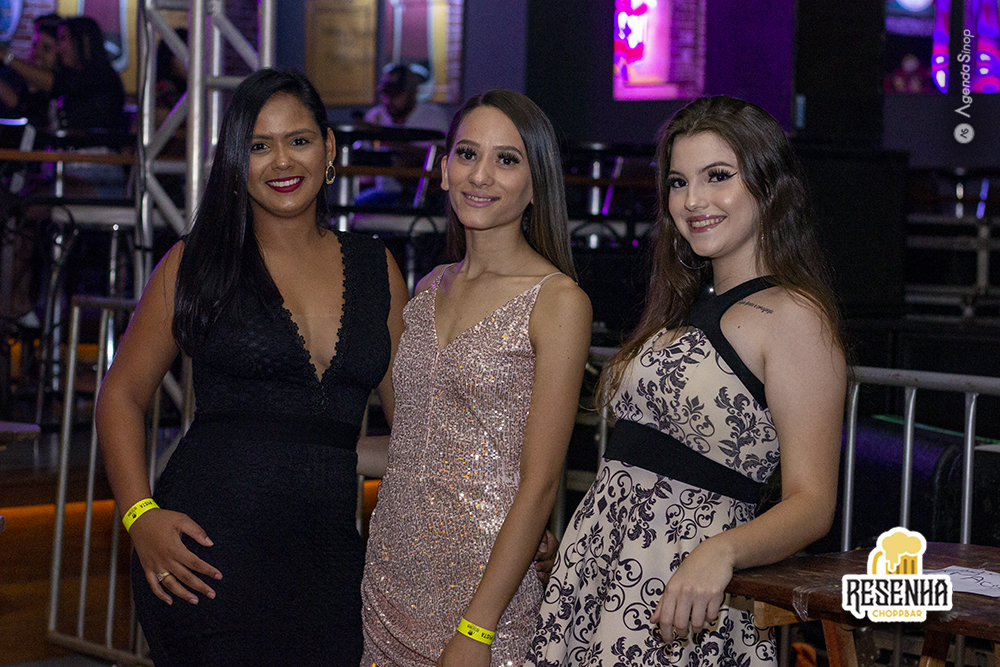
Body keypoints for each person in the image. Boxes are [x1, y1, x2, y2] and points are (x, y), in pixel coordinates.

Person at [95, 68, 408, 665]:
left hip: (329, 564)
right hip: (207, 559)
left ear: (329, 148)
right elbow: (121, 394)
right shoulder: (198, 263)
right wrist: (140, 516)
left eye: (299, 140)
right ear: (236, 160)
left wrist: (497, 522)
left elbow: (415, 439)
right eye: (259, 145)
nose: (281, 161)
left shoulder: (377, 269)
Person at [525, 96, 847, 666]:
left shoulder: (795, 317)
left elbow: (813, 502)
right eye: (678, 182)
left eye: (717, 176)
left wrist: (720, 553)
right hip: (599, 575)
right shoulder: (684, 304)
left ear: (770, 186)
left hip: (684, 592)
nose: (693, 200)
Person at [359, 89, 593, 667]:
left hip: (485, 595)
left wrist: (478, 628)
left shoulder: (557, 301)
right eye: (467, 153)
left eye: (506, 159)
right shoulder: (427, 289)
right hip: (387, 580)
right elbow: (415, 442)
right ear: (444, 170)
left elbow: (541, 483)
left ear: (536, 185)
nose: (480, 174)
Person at [0, 15, 125, 133]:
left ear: (84, 41)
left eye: (63, 38)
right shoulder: (70, 75)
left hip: (94, 148)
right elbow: (25, 104)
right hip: (68, 148)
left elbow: (56, 84)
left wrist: (5, 56)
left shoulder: (101, 76)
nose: (59, 48)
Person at [355, 63, 450, 207]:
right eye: (386, 93)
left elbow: (443, 159)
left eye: (396, 94)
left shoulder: (434, 116)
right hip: (384, 193)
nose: (389, 100)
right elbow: (361, 157)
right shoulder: (375, 115)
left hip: (425, 197)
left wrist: (391, 145)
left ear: (413, 92)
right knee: (354, 207)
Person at [0, 13, 60, 127]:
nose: (37, 53)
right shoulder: (13, 76)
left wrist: (5, 56)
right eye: (35, 45)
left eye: (46, 48)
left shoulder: (63, 90)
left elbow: (24, 107)